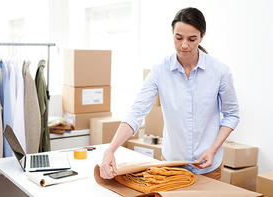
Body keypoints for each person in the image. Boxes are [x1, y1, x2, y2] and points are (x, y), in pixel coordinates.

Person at [100, 7, 240, 181]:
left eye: (192, 39)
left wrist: (213, 149)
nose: (184, 45)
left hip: (208, 165)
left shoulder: (219, 71)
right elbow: (137, 112)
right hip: (171, 164)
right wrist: (111, 149)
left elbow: (231, 114)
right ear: (172, 33)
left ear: (202, 36)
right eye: (178, 37)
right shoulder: (160, 71)